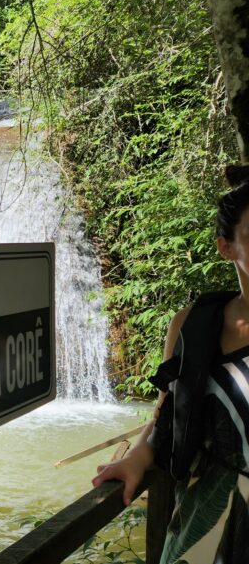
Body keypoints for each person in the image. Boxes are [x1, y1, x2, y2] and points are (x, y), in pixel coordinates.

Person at [92, 180, 249, 563]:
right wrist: (139, 456)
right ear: (226, 247)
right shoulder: (192, 327)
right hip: (209, 523)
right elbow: (167, 415)